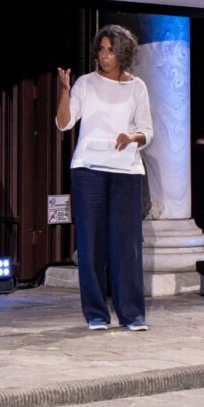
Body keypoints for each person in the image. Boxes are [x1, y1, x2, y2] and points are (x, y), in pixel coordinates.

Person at [56, 24, 153, 331]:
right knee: (91, 244)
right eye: (100, 49)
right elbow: (64, 123)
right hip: (89, 170)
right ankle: (97, 314)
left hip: (126, 171)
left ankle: (132, 315)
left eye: (110, 49)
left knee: (126, 246)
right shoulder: (85, 83)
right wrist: (64, 88)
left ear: (123, 52)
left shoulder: (137, 87)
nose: (104, 55)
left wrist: (132, 136)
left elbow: (147, 132)